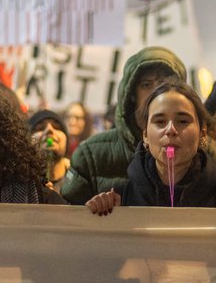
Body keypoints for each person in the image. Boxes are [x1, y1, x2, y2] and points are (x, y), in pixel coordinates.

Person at [86, 82, 216, 220]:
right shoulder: (118, 202)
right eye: (160, 121)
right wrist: (96, 213)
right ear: (146, 135)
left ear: (202, 133)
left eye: (183, 121)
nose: (170, 129)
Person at [61, 46, 187, 204]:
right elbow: (67, 222)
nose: (156, 92)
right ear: (132, 94)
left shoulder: (201, 152)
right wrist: (91, 211)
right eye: (146, 85)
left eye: (164, 84)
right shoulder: (91, 155)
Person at [29, 110, 71, 193]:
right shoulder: (21, 185)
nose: (49, 129)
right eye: (40, 128)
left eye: (57, 127)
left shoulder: (79, 181)